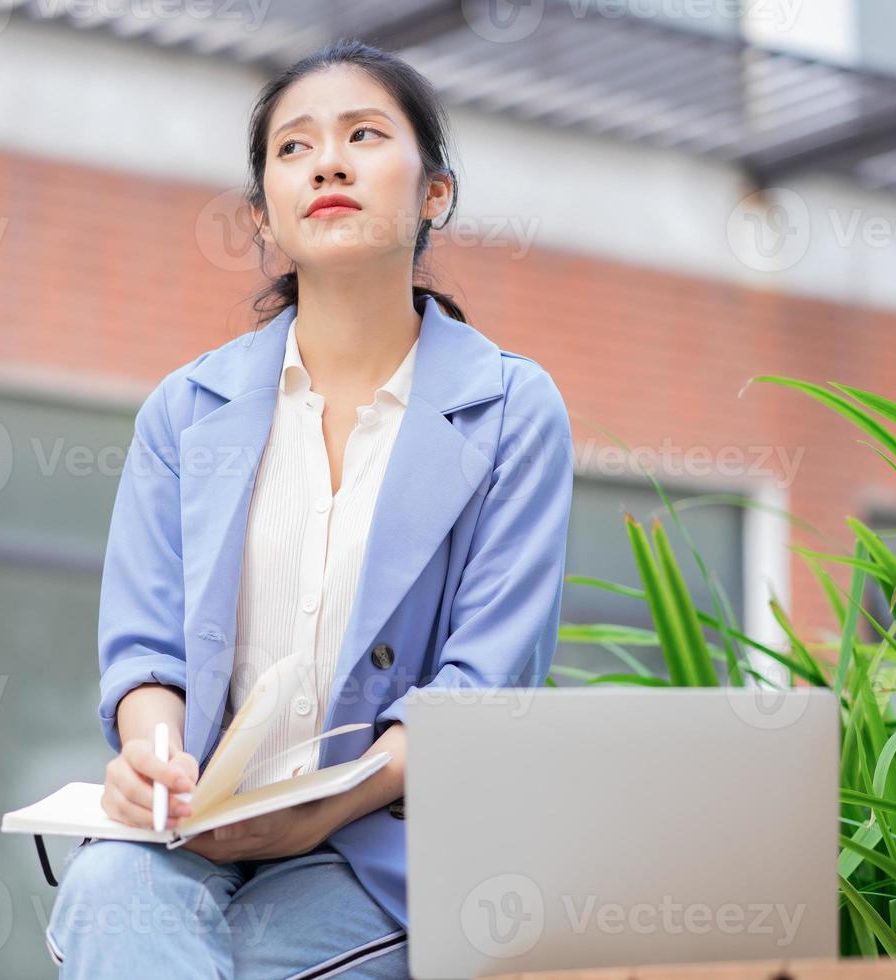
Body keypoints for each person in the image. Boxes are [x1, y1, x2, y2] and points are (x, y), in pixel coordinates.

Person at [44, 36, 574, 979]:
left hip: (384, 848)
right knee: (103, 897)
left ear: (435, 195)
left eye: (363, 135)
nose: (326, 160)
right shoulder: (185, 410)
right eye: (293, 147)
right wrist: (157, 763)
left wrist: (325, 807)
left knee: (258, 960)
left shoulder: (510, 410)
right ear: (264, 215)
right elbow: (146, 652)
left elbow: (483, 688)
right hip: (193, 833)